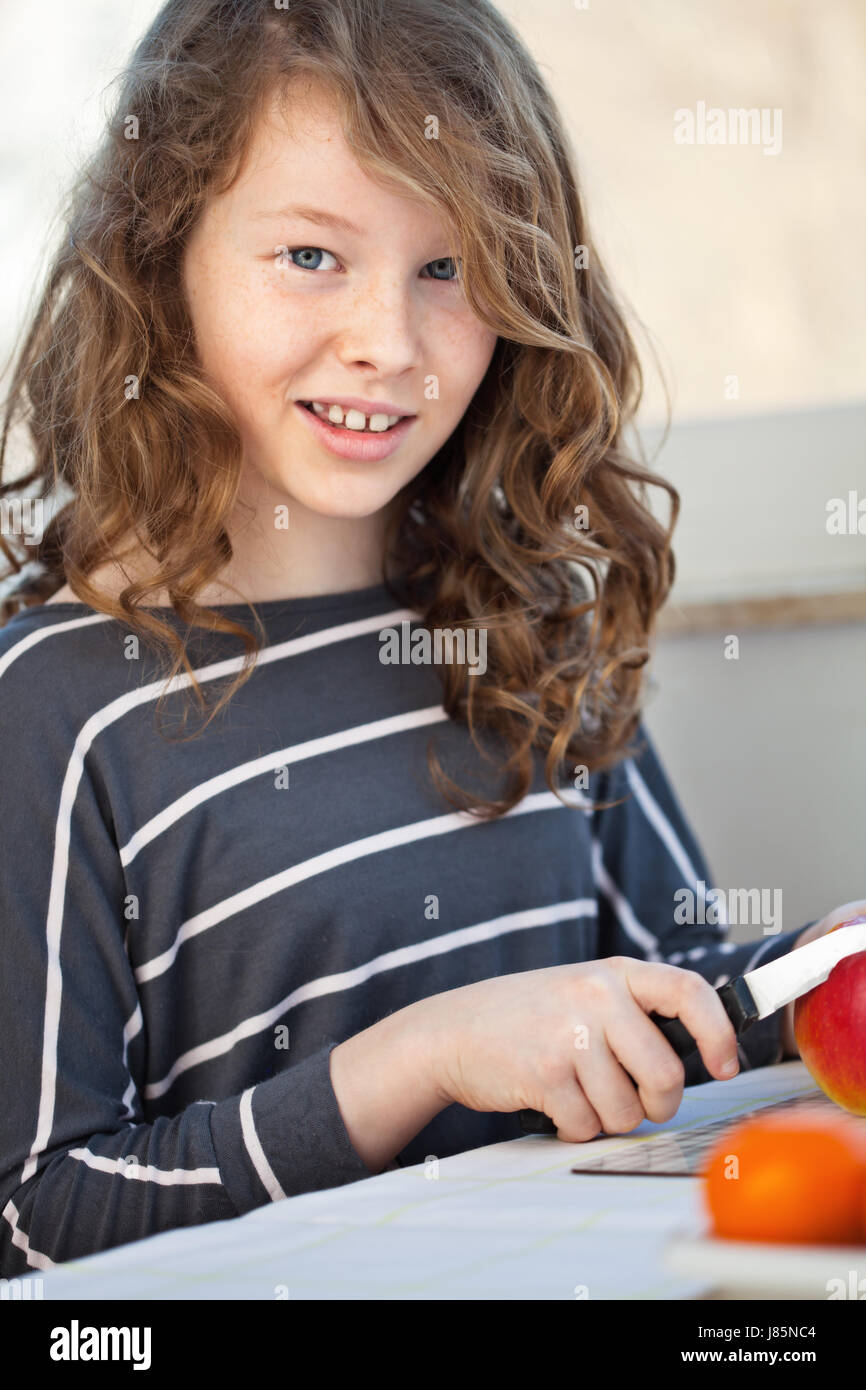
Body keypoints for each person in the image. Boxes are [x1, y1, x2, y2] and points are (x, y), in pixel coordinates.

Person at [0, 0, 858, 1277]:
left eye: (448, 267)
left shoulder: (524, 617)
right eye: (310, 256)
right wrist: (407, 1062)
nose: (388, 344)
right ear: (158, 260)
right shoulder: (56, 711)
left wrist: (819, 969)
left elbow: (673, 987)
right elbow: (33, 1219)